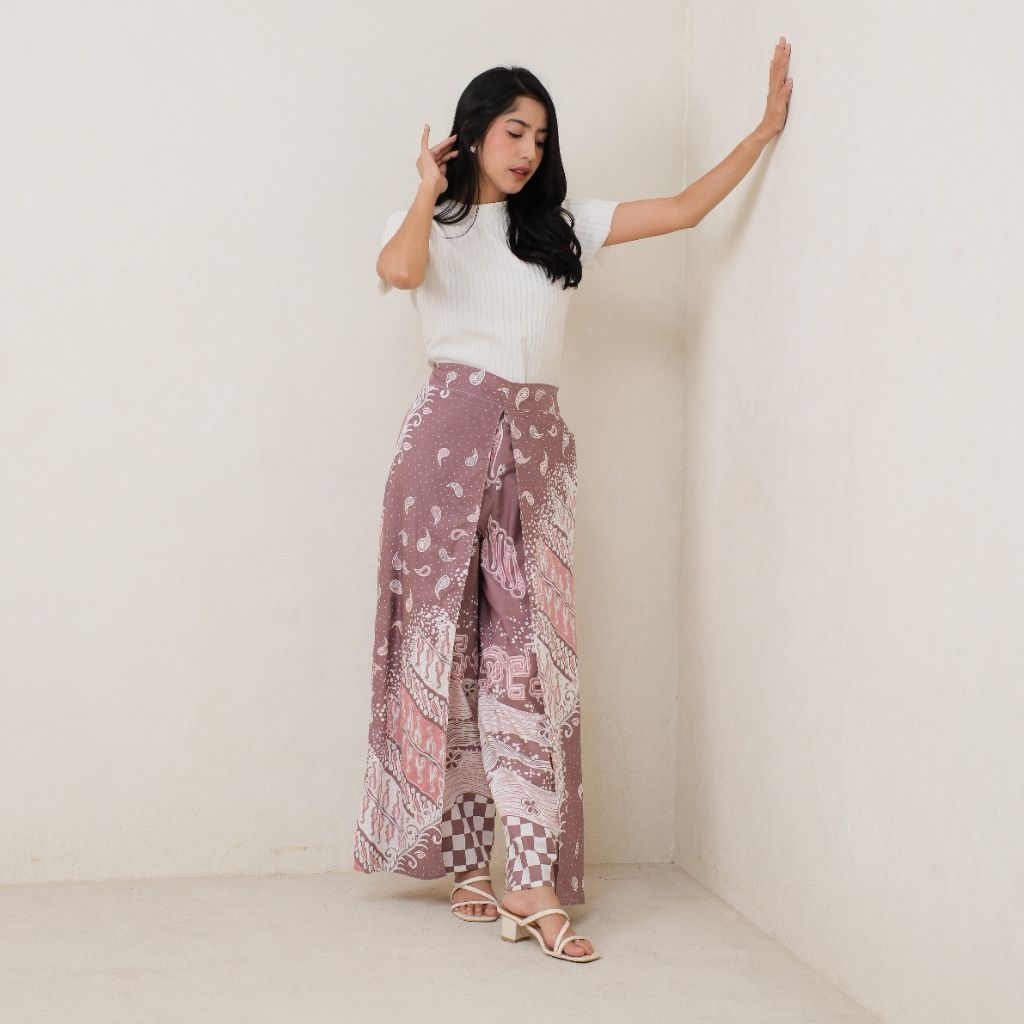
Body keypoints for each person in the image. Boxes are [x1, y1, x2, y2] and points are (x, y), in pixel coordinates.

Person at [354, 40, 794, 964]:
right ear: (474, 133)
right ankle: (471, 863)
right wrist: (427, 193)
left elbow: (682, 209)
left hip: (539, 452)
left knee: (529, 660)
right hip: (443, 446)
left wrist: (761, 134)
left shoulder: (560, 227)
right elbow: (400, 272)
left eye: (541, 137)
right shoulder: (426, 222)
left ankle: (529, 877)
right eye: (514, 131)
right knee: (446, 651)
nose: (528, 150)